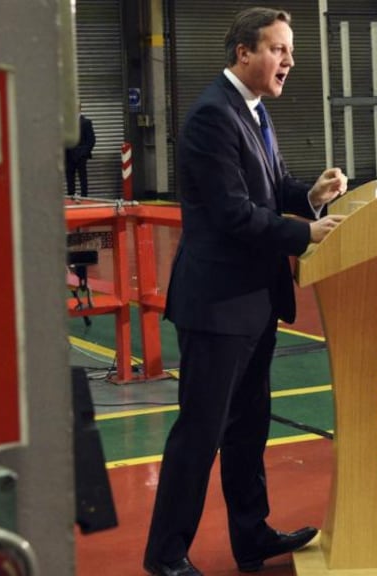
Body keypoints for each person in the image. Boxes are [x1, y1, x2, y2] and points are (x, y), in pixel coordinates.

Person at [143, 9, 347, 576]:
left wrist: (311, 196)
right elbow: (232, 213)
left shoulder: (252, 110)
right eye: (279, 49)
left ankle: (251, 535)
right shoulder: (213, 115)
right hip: (218, 305)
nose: (289, 61)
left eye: (289, 51)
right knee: (200, 433)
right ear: (244, 53)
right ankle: (165, 556)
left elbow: (271, 188)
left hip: (254, 303)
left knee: (248, 429)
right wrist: (305, 234)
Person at [64, 106, 95, 196]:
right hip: (69, 155)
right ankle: (71, 196)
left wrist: (83, 153)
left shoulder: (86, 122)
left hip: (81, 156)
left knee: (82, 177)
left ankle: (84, 196)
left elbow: (91, 140)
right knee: (69, 177)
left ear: (79, 109)